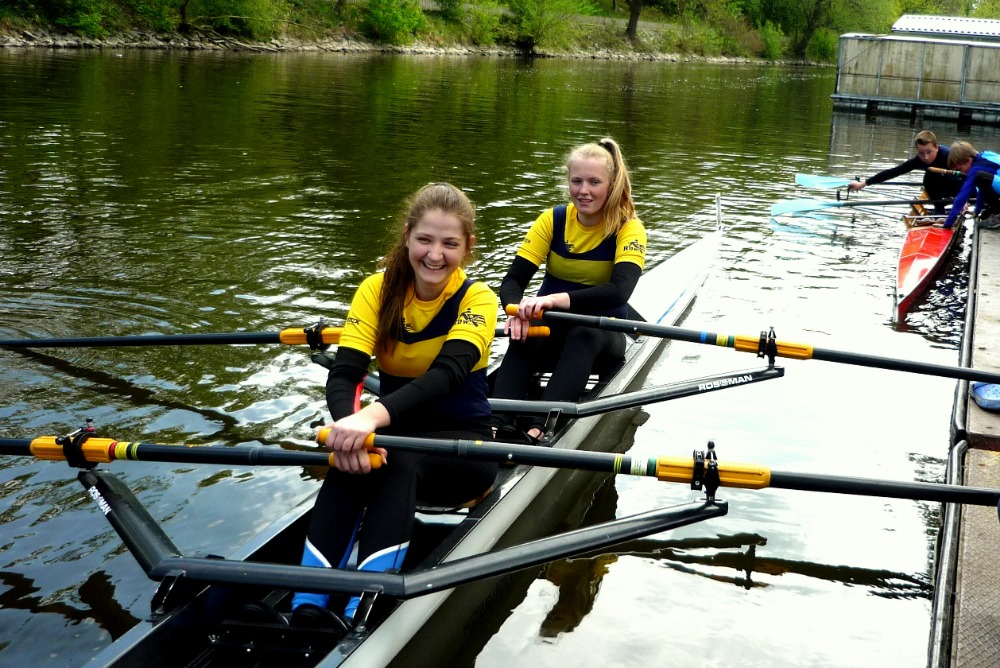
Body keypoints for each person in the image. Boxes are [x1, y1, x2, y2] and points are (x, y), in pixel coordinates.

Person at [290, 183, 498, 628]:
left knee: (395, 459)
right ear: (407, 237)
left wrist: (369, 419)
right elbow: (346, 373)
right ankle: (306, 606)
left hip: (466, 448)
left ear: (468, 247)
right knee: (351, 462)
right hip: (395, 435)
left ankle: (362, 611)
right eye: (424, 240)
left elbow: (445, 377)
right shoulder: (377, 289)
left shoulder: (478, 299)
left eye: (449, 244)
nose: (435, 255)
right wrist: (349, 431)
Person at [491, 137, 646, 443]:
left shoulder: (628, 228)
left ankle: (541, 426)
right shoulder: (553, 220)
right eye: (577, 181)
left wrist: (554, 300)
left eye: (594, 182)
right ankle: (495, 423)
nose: (583, 190)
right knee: (526, 329)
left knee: (583, 333)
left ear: (611, 185)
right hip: (555, 330)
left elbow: (620, 292)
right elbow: (512, 281)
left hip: (604, 336)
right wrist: (516, 311)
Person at [847, 131, 962, 213]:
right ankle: (939, 209)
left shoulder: (949, 155)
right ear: (917, 151)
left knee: (950, 178)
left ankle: (956, 203)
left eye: (929, 152)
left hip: (958, 185)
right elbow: (893, 172)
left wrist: (963, 199)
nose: (926, 157)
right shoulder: (918, 160)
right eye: (921, 153)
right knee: (928, 179)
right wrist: (863, 184)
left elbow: (968, 175)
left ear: (936, 147)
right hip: (940, 185)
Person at [942, 141, 1000, 230]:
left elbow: (962, 196)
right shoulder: (984, 155)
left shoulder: (976, 168)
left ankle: (998, 215)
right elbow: (983, 190)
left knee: (980, 176)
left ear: (969, 160)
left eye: (960, 169)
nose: (961, 172)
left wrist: (948, 223)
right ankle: (996, 212)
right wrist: (977, 211)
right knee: (984, 215)